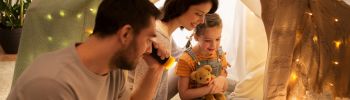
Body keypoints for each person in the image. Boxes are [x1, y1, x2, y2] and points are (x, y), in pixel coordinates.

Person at [7, 0, 168, 100]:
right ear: (125, 34)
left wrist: (155, 69)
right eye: (148, 38)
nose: (149, 49)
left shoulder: (112, 70)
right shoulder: (53, 84)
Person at [129, 0, 219, 99]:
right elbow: (144, 93)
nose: (202, 21)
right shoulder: (160, 37)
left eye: (204, 15)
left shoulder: (163, 29)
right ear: (181, 6)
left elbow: (181, 55)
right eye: (198, 14)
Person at [176, 13, 229, 99]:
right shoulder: (186, 60)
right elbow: (184, 95)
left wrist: (222, 80)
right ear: (196, 37)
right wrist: (210, 89)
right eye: (208, 40)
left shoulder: (219, 54)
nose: (214, 45)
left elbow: (225, 87)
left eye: (217, 39)